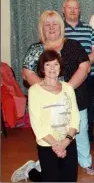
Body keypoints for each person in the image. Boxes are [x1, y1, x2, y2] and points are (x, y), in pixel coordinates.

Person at [22, 10, 94, 175]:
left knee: (79, 131)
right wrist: (47, 90)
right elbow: (27, 73)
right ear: (42, 28)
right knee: (49, 135)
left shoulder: (74, 45)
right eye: (47, 24)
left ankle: (85, 162)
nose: (52, 27)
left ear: (61, 26)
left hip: (74, 96)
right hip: (45, 102)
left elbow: (85, 67)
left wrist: (64, 89)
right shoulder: (35, 48)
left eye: (55, 24)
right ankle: (43, 167)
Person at [11, 50, 80, 182]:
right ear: (42, 68)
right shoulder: (34, 91)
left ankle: (33, 169)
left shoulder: (68, 88)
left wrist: (65, 142)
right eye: (48, 65)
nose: (52, 68)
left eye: (56, 64)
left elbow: (75, 118)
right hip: (48, 144)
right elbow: (37, 124)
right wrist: (56, 145)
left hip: (68, 141)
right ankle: (31, 171)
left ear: (60, 67)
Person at [62, 0, 94, 147]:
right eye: (69, 8)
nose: (72, 11)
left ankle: (88, 138)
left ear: (79, 10)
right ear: (63, 10)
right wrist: (75, 68)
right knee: (66, 108)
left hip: (88, 76)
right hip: (65, 77)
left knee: (88, 108)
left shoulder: (88, 28)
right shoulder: (59, 29)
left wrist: (81, 67)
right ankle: (67, 139)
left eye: (76, 8)